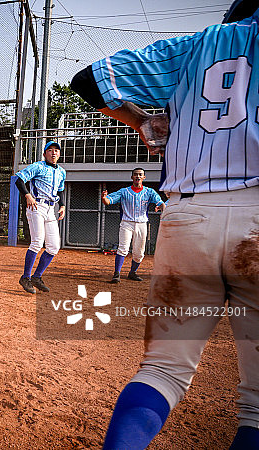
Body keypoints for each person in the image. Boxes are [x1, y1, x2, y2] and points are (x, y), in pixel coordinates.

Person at [70, 1, 259, 447]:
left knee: (162, 370)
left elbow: (89, 81)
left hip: (188, 211)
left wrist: (141, 121)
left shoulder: (199, 45)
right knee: (256, 405)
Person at [14, 141, 66, 294]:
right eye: (50, 150)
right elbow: (19, 180)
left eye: (56, 150)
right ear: (44, 154)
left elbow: (60, 190)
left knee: (54, 247)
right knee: (37, 242)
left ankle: (37, 277)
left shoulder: (62, 172)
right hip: (36, 206)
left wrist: (62, 205)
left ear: (59, 154)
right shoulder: (38, 166)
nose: (53, 153)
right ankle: (25, 277)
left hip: (51, 208)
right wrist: (27, 195)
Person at [101, 168, 165, 284]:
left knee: (139, 252)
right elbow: (108, 201)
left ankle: (133, 272)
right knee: (123, 248)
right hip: (127, 223)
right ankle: (117, 274)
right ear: (132, 177)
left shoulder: (149, 192)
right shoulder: (124, 191)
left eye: (140, 175)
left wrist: (164, 211)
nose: (138, 177)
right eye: (135, 175)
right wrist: (104, 198)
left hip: (141, 224)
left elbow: (160, 203)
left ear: (144, 177)